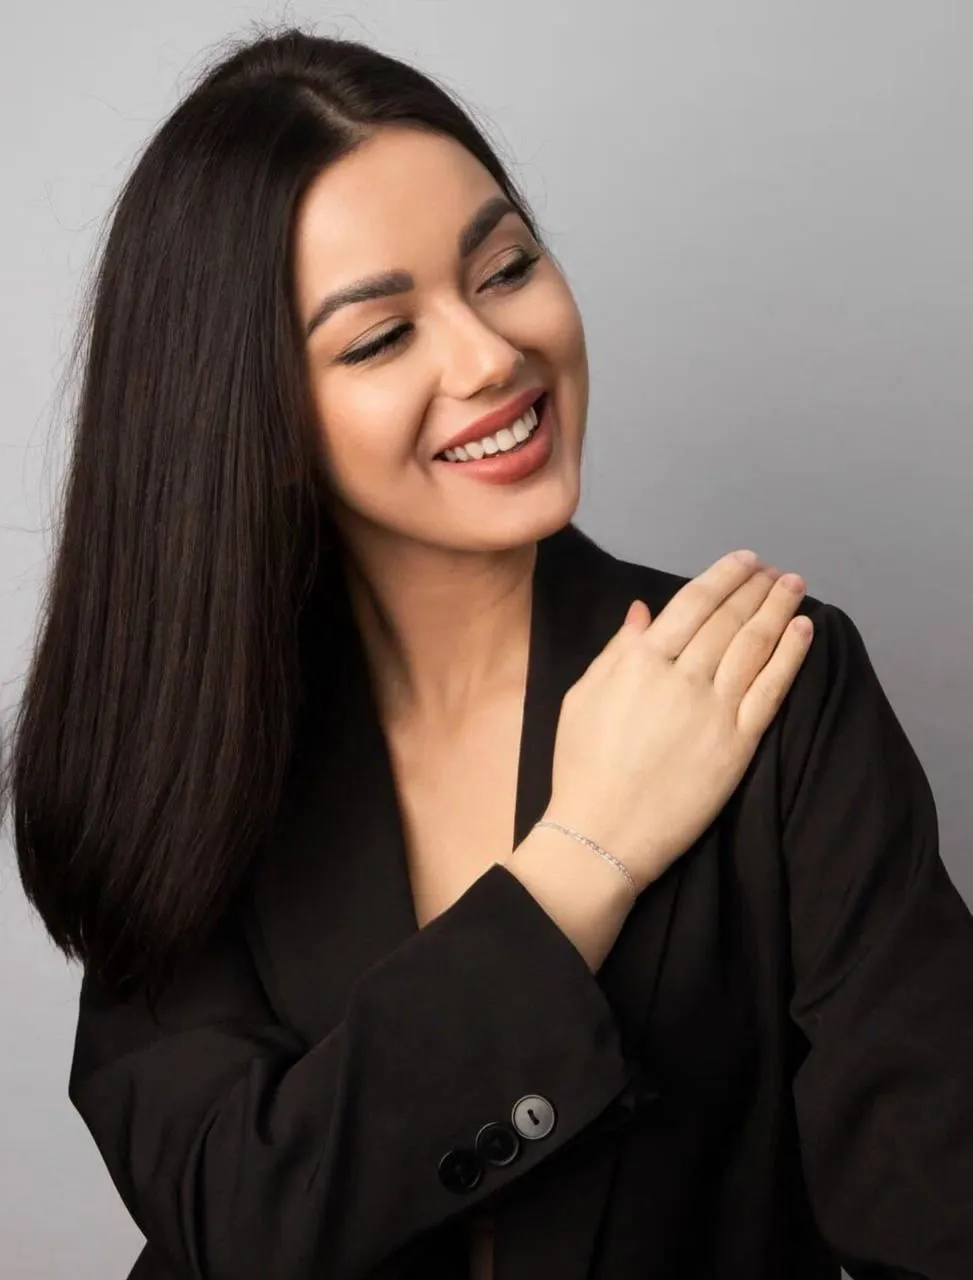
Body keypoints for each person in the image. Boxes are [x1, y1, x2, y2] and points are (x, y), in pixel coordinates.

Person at [4, 23, 971, 1280]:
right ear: (248, 417)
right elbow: (243, 1222)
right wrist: (586, 857)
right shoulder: (181, 757)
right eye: (378, 337)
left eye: (504, 266)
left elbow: (938, 1220)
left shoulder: (765, 679)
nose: (490, 355)